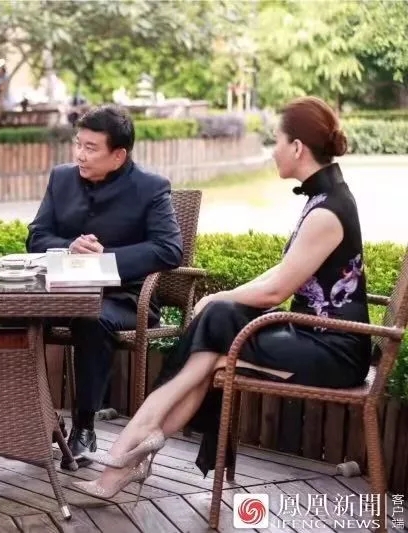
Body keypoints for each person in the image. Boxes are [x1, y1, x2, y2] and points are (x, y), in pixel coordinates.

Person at [72, 96, 372, 499]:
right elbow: (280, 272)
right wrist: (221, 300)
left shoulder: (327, 211)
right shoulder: (324, 199)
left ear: (298, 147)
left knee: (214, 327)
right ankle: (130, 454)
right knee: (211, 345)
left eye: (276, 141)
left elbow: (277, 290)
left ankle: (127, 455)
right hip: (312, 337)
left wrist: (217, 299)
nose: (273, 150)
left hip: (333, 351)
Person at [26, 105, 183, 464]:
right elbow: (36, 237)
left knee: (91, 318)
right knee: (17, 315)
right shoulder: (61, 178)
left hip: (123, 298)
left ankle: (84, 427)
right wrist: (69, 247)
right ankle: (40, 417)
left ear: (118, 155)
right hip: (63, 292)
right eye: (78, 144)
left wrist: (104, 257)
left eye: (91, 148)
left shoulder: (151, 188)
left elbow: (169, 249)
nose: (80, 155)